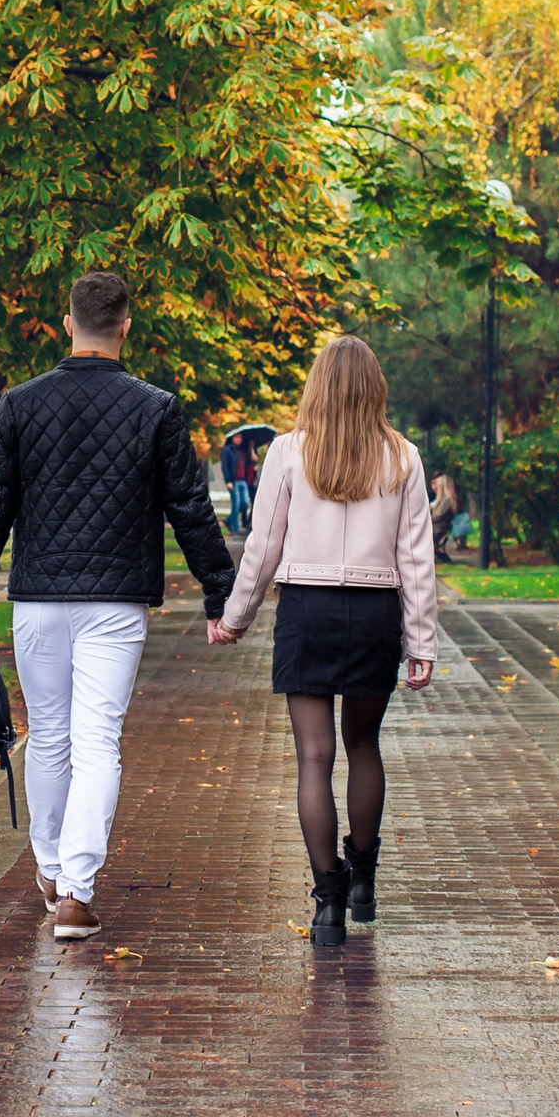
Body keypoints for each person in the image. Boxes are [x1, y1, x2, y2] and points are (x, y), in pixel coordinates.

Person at [0, 270, 235, 943]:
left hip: (39, 599)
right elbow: (189, 508)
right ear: (126, 325)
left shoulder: (19, 405)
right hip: (116, 602)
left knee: (48, 736)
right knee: (97, 740)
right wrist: (221, 593)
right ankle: (76, 890)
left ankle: (49, 868)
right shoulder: (155, 407)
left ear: (67, 323)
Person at [212, 335, 436, 945]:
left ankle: (327, 906)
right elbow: (416, 559)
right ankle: (363, 878)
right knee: (364, 746)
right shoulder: (403, 458)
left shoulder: (286, 453)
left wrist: (234, 618)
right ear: (375, 388)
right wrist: (422, 643)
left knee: (314, 757)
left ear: (316, 386)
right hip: (374, 613)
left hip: (306, 610)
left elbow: (263, 549)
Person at [221, 432, 254, 534]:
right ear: (232, 438)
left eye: (240, 437)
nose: (238, 439)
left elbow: (252, 461)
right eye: (236, 437)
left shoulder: (243, 451)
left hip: (243, 480)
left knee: (245, 503)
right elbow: (225, 466)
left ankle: (228, 520)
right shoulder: (227, 450)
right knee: (236, 504)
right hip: (233, 481)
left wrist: (251, 448)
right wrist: (228, 481)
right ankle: (236, 529)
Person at [428, 470, 461, 566]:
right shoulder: (441, 501)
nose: (433, 487)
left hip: (435, 530)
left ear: (441, 485)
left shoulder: (446, 501)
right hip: (435, 529)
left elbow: (436, 517)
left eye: (435, 484)